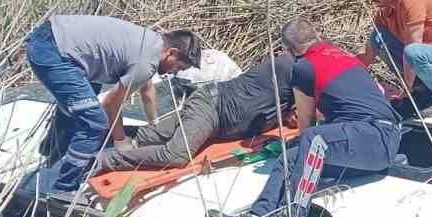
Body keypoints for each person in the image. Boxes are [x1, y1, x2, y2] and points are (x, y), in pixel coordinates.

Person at [208, 20, 400, 217]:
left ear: (289, 50)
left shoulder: (304, 67)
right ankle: (258, 216)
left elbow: (306, 122)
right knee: (290, 155)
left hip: (376, 136)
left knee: (311, 138)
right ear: (315, 34)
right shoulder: (340, 54)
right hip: (377, 139)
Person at [25, 15, 198, 196]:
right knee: (94, 123)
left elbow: (147, 90)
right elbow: (110, 104)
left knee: (85, 99)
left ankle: (52, 148)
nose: (175, 72)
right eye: (179, 67)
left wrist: (154, 123)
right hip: (54, 52)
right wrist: (121, 141)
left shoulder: (151, 43)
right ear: (172, 53)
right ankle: (63, 190)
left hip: (53, 37)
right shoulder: (147, 63)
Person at [95, 51, 296, 172]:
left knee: (150, 135)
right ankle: (104, 160)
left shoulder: (290, 87)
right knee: (176, 155)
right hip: (212, 107)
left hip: (212, 112)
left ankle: (92, 135)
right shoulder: (291, 67)